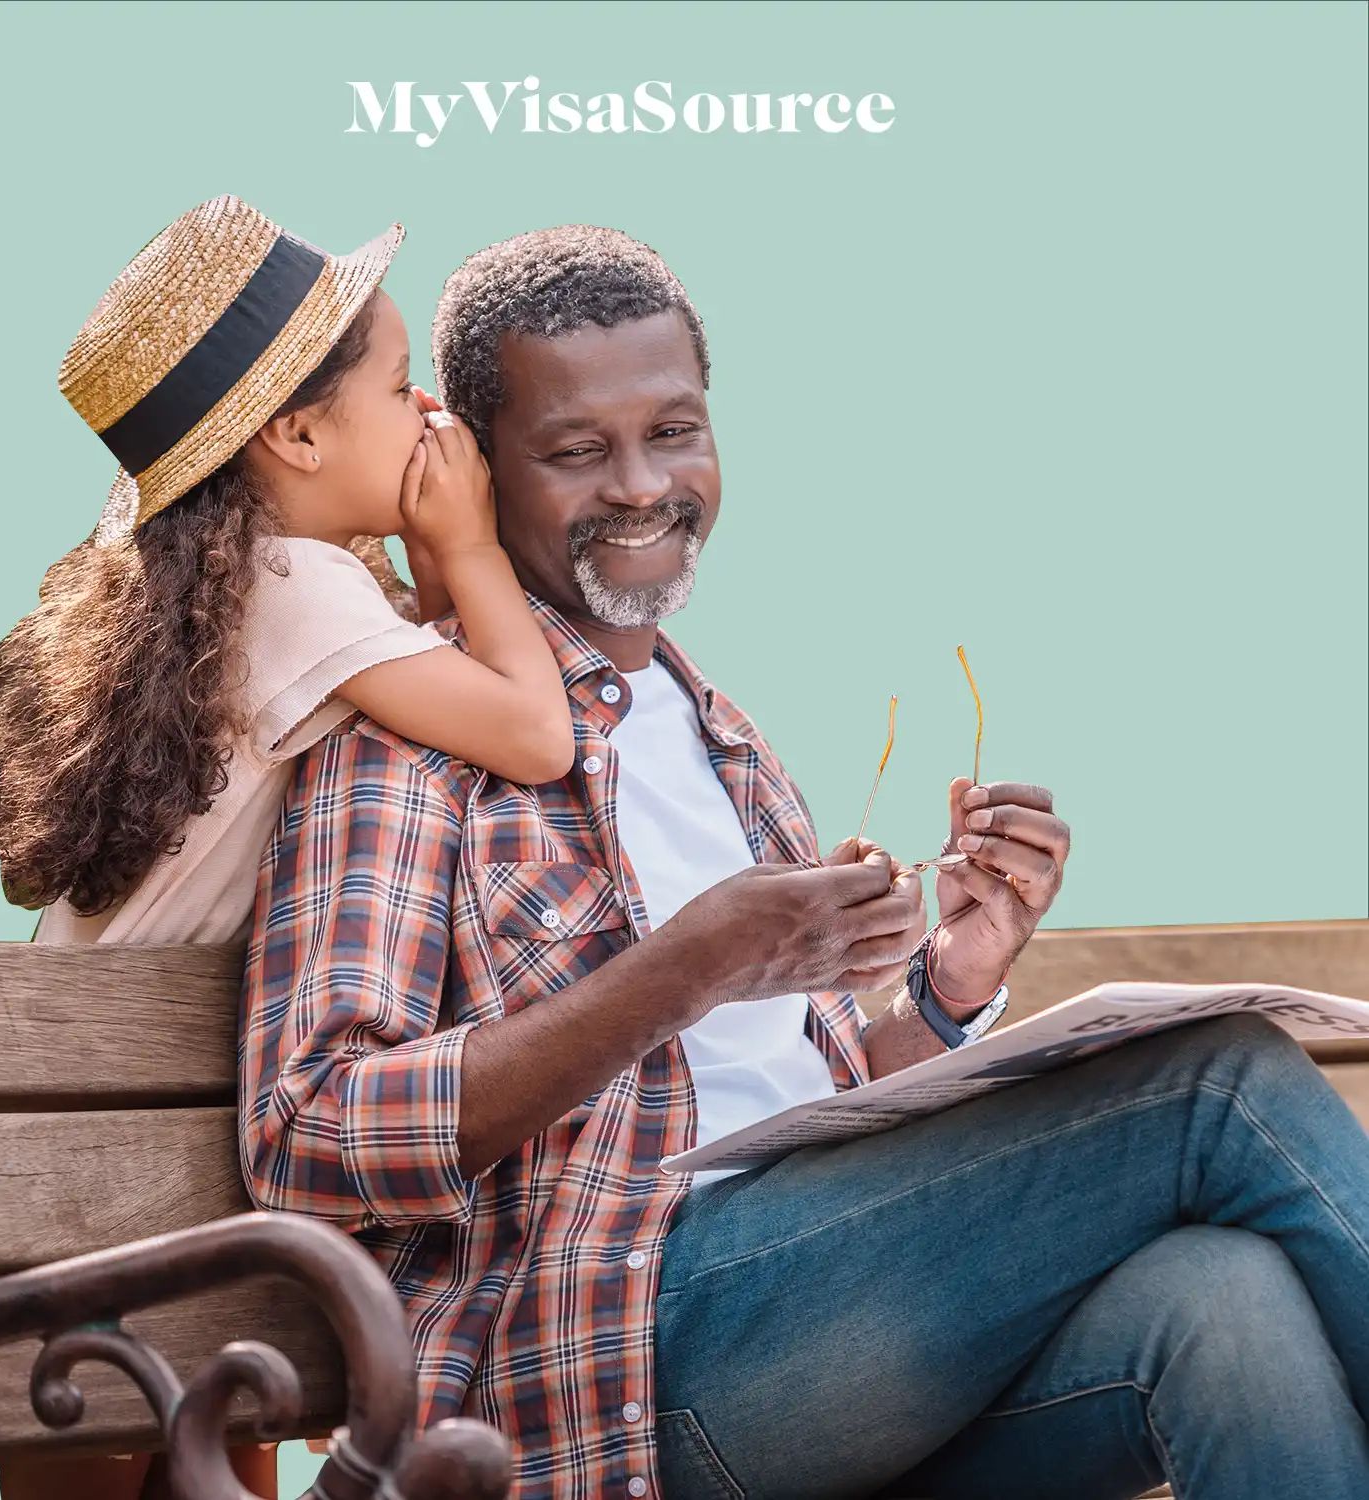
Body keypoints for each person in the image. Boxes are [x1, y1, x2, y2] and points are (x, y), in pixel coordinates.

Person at [239, 226, 1369, 1500]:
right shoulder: (417, 738)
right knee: (1216, 1084)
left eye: (674, 431)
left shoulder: (725, 741)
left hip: (818, 1350)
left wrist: (948, 986)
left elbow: (800, 1098)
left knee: (1224, 1302)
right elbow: (308, 1133)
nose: (639, 485)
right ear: (474, 470)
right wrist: (689, 966)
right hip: (620, 1371)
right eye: (574, 451)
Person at [0, 196, 573, 1500]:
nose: (429, 419)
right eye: (405, 388)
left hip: (94, 1140)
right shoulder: (301, 592)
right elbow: (535, 732)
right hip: (125, 1181)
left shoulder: (233, 590)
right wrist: (466, 546)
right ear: (294, 433)